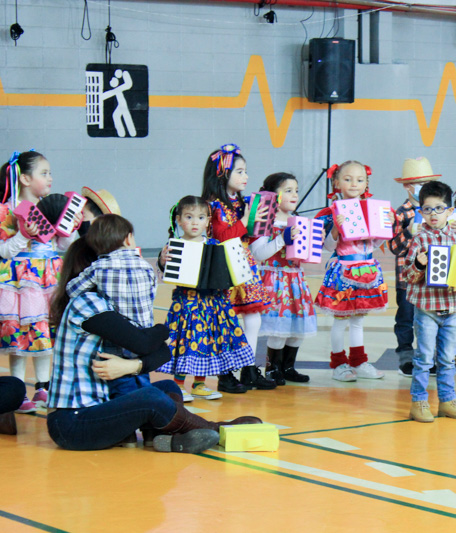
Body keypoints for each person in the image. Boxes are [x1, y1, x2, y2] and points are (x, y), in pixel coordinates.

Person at [46, 237, 261, 453]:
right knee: (150, 398)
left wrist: (132, 366)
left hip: (99, 409)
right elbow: (144, 343)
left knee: (167, 388)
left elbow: (162, 353)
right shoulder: (86, 302)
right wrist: (162, 330)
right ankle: (214, 429)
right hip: (73, 423)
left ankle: (164, 439)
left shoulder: (102, 303)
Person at [0, 150, 81, 413]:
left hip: (50, 278)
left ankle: (43, 388)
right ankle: (17, 391)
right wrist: (23, 235)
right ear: (24, 178)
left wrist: (71, 228)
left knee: (45, 331)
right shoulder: (6, 210)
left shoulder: (52, 207)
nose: (50, 178)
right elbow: (4, 251)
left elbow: (65, 245)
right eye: (44, 173)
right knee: (20, 334)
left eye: (50, 173)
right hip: (21, 282)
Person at [157, 196, 254, 400]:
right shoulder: (175, 246)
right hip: (187, 304)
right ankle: (179, 385)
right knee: (186, 341)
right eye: (189, 217)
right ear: (178, 219)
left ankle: (199, 384)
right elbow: (165, 272)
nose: (195, 222)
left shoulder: (215, 245)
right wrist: (163, 261)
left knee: (207, 342)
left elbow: (229, 272)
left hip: (213, 304)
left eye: (201, 217)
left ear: (208, 220)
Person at [201, 143, 273, 391]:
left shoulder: (241, 202)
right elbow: (223, 236)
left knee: (253, 318)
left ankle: (248, 368)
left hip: (244, 262)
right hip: (224, 266)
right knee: (226, 320)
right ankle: (225, 373)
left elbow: (246, 236)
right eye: (240, 172)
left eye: (245, 171)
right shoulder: (212, 205)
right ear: (222, 173)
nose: (246, 176)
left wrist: (260, 222)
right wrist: (245, 220)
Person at [403, 181, 456, 422]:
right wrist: (419, 264)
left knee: (447, 358)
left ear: (450, 211)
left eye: (439, 208)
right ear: (421, 212)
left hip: (453, 308)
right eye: (428, 209)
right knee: (423, 358)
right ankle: (419, 402)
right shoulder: (419, 240)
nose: (433, 214)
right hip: (427, 309)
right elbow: (408, 276)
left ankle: (447, 400)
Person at [66, 215, 156, 399]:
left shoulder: (99, 267)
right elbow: (151, 294)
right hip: (145, 335)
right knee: (142, 377)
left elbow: (72, 290)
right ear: (128, 239)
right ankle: (147, 407)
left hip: (117, 338)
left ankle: (128, 411)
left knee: (121, 385)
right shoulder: (146, 266)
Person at [314, 161, 389, 382]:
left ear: (366, 183)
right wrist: (336, 229)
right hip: (344, 272)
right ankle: (338, 364)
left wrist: (385, 226)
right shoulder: (331, 213)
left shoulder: (371, 209)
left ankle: (359, 361)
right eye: (348, 179)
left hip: (367, 270)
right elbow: (327, 247)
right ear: (337, 183)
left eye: (359, 179)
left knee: (358, 320)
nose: (354, 184)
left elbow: (373, 244)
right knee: (340, 320)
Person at [250, 173, 317, 384]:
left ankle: (288, 367)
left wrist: (314, 241)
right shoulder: (264, 222)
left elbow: (303, 255)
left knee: (297, 327)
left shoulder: (298, 221)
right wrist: (281, 239)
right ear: (273, 195)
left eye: (296, 190)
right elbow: (258, 254)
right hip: (274, 279)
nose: (295, 195)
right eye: (288, 191)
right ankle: (272, 368)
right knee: (278, 329)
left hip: (295, 280)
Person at [389, 157, 443, 377]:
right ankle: (405, 356)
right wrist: (409, 232)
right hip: (407, 277)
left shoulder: (436, 211)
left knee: (429, 319)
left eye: (426, 183)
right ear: (407, 186)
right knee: (405, 318)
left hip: (433, 277)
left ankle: (427, 357)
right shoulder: (401, 213)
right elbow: (394, 246)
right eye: (419, 183)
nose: (423, 187)